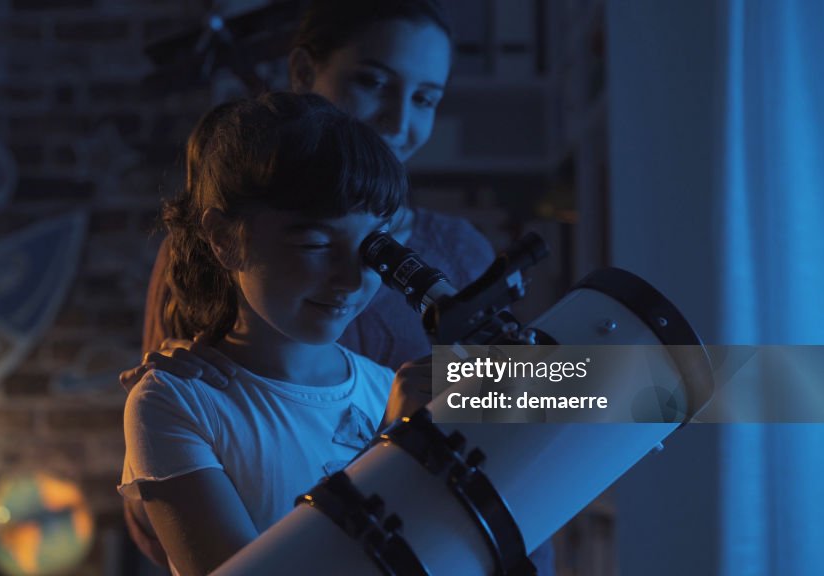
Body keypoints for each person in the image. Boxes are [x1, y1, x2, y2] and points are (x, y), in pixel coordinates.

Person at [128, 0, 555, 572]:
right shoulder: (191, 383)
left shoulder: (458, 258)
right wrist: (396, 448)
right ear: (305, 72)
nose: (399, 121)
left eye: (426, 98)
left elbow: (532, 417)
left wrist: (592, 381)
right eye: (374, 82)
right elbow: (177, 521)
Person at [119, 92, 420, 576]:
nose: (352, 278)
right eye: (316, 244)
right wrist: (393, 452)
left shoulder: (386, 389)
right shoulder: (177, 403)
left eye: (372, 247)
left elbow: (583, 389)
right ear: (224, 238)